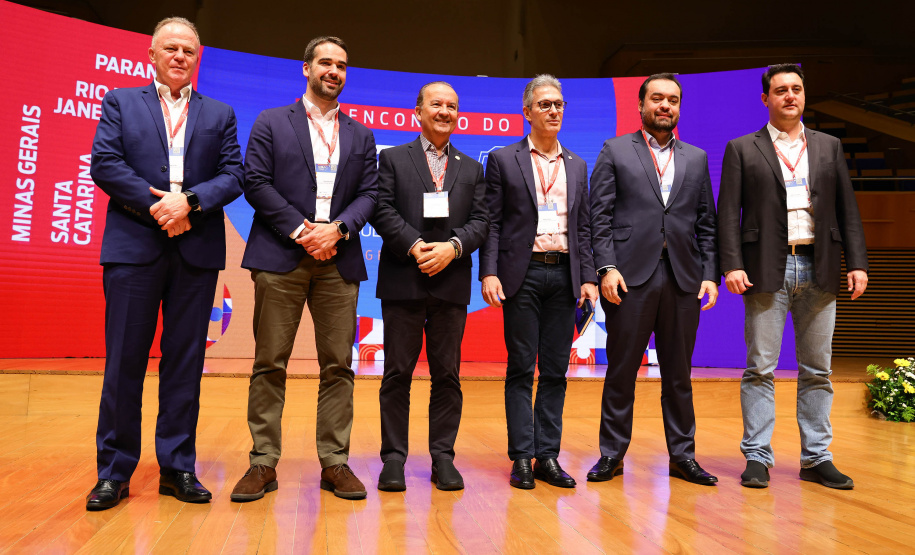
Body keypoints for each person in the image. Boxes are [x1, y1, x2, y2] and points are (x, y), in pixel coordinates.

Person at [87, 17, 244, 510]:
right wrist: (160, 207)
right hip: (134, 247)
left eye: (188, 51)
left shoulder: (219, 113)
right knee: (124, 362)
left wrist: (190, 203)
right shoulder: (120, 102)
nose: (179, 56)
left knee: (185, 363)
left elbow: (234, 173)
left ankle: (177, 467)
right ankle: (114, 472)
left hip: (195, 251)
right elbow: (105, 163)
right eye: (170, 48)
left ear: (198, 58)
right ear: (152, 55)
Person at [230, 36, 378, 501]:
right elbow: (255, 182)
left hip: (339, 260)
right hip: (281, 257)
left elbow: (370, 194)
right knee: (269, 363)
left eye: (342, 65)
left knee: (338, 366)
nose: (334, 71)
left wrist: (337, 230)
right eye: (326, 62)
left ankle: (334, 463)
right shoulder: (272, 121)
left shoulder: (360, 134)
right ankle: (263, 462)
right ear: (306, 68)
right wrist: (302, 230)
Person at [718, 63, 868, 489]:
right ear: (765, 98)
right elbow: (727, 213)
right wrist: (731, 264)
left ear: (804, 95)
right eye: (781, 90)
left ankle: (816, 457)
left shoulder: (829, 146)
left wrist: (857, 262)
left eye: (796, 89)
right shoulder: (742, 148)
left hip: (820, 265)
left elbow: (847, 209)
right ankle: (757, 457)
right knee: (760, 369)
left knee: (818, 369)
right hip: (766, 266)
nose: (790, 96)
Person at [588, 74, 719, 486]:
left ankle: (683, 456)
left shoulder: (696, 157)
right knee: (621, 371)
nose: (665, 106)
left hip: (683, 278)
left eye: (673, 100)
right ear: (641, 104)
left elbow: (707, 223)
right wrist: (606, 267)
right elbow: (598, 217)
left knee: (678, 374)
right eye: (657, 98)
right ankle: (611, 454)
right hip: (629, 277)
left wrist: (710, 275)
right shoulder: (615, 149)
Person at [480, 75, 598, 489]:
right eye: (545, 104)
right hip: (523, 274)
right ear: (527, 112)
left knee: (555, 371)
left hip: (565, 274)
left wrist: (588, 277)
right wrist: (489, 271)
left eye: (559, 104)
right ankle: (521, 458)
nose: (553, 111)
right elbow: (492, 221)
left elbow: (583, 228)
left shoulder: (577, 164)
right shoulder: (504, 159)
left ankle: (547, 456)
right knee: (520, 367)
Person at [371, 82, 489, 492]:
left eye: (452, 106)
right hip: (403, 278)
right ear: (418, 111)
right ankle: (393, 459)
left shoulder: (471, 168)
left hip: (450, 283)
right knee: (396, 374)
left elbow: (482, 221)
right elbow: (381, 208)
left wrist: (452, 248)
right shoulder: (392, 158)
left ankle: (443, 458)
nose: (445, 111)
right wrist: (414, 244)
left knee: (447, 376)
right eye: (436, 104)